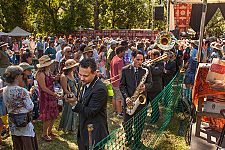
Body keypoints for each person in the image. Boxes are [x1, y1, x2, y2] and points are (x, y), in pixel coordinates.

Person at [69, 58, 109, 149]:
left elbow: (91, 112)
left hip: (95, 132)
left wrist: (75, 103)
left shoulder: (100, 89)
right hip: (84, 129)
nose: (82, 78)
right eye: (80, 74)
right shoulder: (83, 82)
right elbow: (82, 101)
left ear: (94, 73)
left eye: (85, 75)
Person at [120, 50, 152, 148]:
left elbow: (151, 83)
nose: (140, 62)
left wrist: (145, 87)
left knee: (140, 123)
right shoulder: (125, 69)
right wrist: (126, 98)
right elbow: (122, 86)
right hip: (129, 101)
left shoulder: (146, 69)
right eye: (138, 59)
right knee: (127, 123)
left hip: (141, 102)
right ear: (133, 58)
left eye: (142, 60)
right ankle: (128, 138)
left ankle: (137, 139)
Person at [2, 66, 38, 150]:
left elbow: (6, 104)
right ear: (17, 76)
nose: (23, 76)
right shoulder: (22, 90)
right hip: (23, 120)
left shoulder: (5, 90)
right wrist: (30, 95)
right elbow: (30, 107)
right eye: (21, 74)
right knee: (27, 143)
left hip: (12, 120)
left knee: (17, 143)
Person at [36, 55, 61, 142]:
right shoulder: (40, 74)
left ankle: (49, 131)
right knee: (47, 116)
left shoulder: (48, 71)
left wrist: (55, 78)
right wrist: (54, 94)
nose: (50, 64)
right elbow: (43, 88)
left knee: (53, 115)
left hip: (51, 95)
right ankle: (44, 134)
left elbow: (50, 80)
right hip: (45, 97)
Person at [58, 59, 79, 133]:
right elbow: (65, 89)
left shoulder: (72, 73)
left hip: (75, 95)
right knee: (68, 112)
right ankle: (66, 127)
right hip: (68, 97)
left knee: (74, 112)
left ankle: (72, 127)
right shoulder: (64, 76)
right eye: (74, 66)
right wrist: (72, 95)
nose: (75, 67)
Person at [147, 50, 164, 123]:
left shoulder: (160, 63)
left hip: (155, 87)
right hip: (148, 87)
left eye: (151, 56)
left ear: (156, 56)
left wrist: (149, 66)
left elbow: (156, 72)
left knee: (154, 104)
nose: (150, 58)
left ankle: (155, 118)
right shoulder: (152, 62)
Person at [110, 46, 125, 118]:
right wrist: (122, 82)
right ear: (120, 52)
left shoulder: (114, 58)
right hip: (118, 82)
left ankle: (114, 111)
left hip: (113, 81)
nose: (124, 53)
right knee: (119, 98)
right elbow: (120, 73)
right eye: (123, 51)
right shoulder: (119, 60)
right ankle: (119, 113)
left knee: (114, 97)